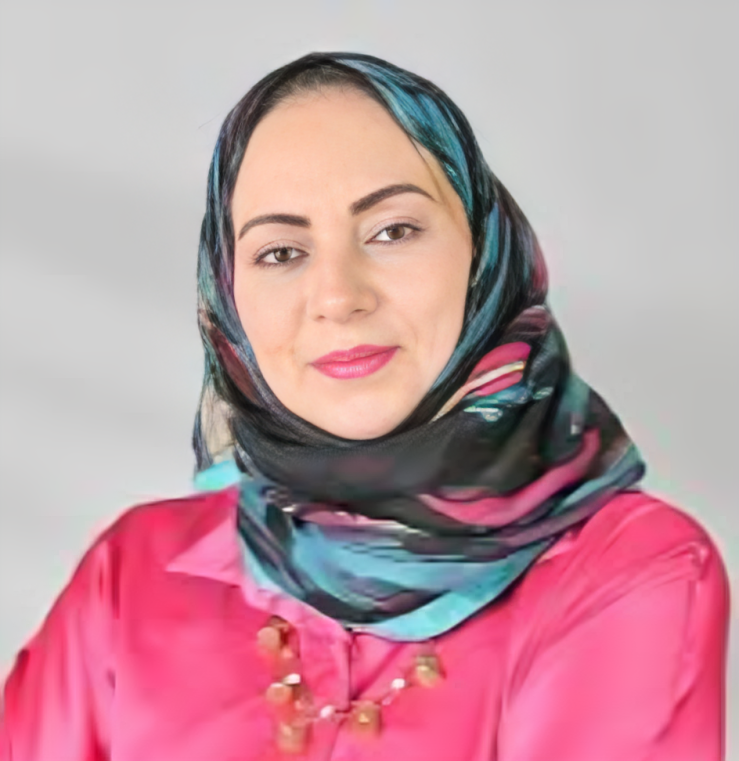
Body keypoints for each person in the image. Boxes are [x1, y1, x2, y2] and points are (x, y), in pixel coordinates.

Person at [0, 52, 730, 760]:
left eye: (392, 231)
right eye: (281, 252)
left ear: (484, 254)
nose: (338, 296)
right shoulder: (134, 574)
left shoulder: (628, 572)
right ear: (225, 297)